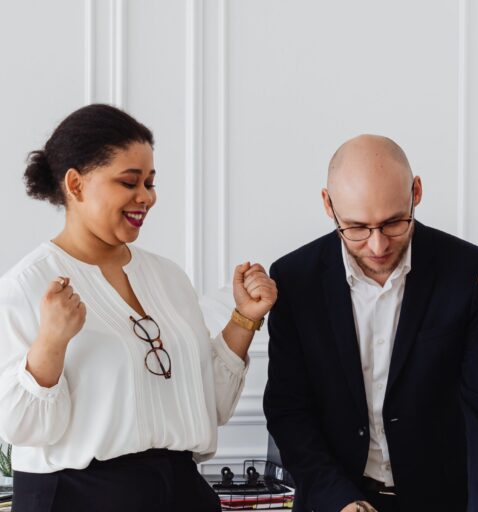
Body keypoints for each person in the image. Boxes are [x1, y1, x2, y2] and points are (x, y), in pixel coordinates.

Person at [0, 104, 277, 512]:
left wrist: (245, 319)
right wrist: (52, 342)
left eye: (150, 182)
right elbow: (22, 426)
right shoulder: (28, 285)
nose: (146, 197)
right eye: (129, 182)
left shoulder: (168, 278)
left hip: (182, 487)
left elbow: (210, 405)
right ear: (75, 185)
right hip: (80, 496)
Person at [263, 134, 478, 512]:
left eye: (394, 222)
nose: (378, 245)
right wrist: (337, 499)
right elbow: (289, 410)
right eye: (356, 228)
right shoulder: (293, 279)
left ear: (416, 191)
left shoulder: (469, 274)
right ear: (327, 204)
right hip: (336, 499)